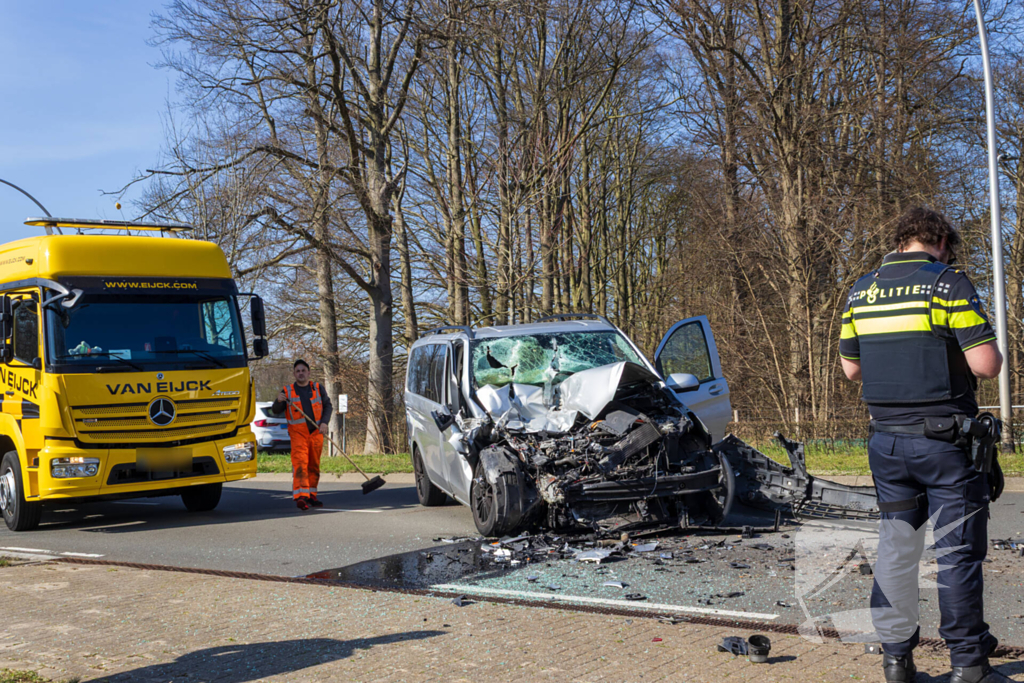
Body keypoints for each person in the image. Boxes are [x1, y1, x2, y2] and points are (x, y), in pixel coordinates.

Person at [840, 207, 1008, 683]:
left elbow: (852, 369)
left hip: (886, 444)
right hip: (946, 445)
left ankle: (897, 661)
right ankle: (967, 666)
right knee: (956, 554)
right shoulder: (947, 283)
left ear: (901, 241)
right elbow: (986, 365)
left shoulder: (862, 288)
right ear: (941, 242)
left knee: (897, 550)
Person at [272, 359, 333, 511]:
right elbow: (276, 410)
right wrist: (278, 401)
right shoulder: (287, 391)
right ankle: (301, 497)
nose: (300, 373)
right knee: (300, 464)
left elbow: (328, 406)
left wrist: (324, 422)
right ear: (294, 374)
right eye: (297, 371)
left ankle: (312, 494)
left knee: (314, 465)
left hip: (316, 432)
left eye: (303, 370)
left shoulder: (318, 388)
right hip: (298, 434)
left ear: (308, 373)